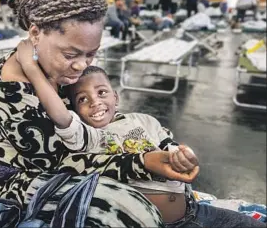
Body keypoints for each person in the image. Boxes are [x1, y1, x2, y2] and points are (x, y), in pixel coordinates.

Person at [0, 0, 201, 227]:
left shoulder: (54, 64)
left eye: (91, 53)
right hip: (25, 174)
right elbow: (61, 164)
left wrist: (159, 151)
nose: (81, 66)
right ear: (35, 33)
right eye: (71, 55)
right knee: (128, 209)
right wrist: (142, 162)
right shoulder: (11, 90)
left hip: (80, 148)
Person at [15, 61, 267, 228]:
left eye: (102, 93)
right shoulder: (88, 136)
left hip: (194, 212)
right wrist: (31, 67)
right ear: (75, 110)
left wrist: (182, 156)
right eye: (83, 99)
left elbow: (168, 143)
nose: (95, 102)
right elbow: (61, 118)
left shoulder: (143, 120)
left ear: (116, 96)